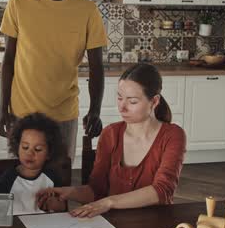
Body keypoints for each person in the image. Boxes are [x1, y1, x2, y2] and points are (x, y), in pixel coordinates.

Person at [0, 0, 108, 162]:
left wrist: (95, 110)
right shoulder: (18, 3)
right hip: (22, 113)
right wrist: (2, 109)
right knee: (23, 178)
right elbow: (8, 59)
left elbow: (97, 66)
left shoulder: (87, 11)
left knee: (59, 179)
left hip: (63, 114)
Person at [37, 64, 186, 218]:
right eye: (120, 98)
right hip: (114, 227)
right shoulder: (111, 134)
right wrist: (69, 192)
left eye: (132, 102)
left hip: (155, 227)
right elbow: (97, 190)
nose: (122, 107)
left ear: (154, 102)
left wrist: (109, 202)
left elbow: (162, 190)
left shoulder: (173, 135)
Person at [0, 113, 67, 223]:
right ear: (17, 146)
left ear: (49, 153)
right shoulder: (9, 177)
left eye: (38, 149)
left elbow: (63, 207)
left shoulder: (52, 176)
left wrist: (55, 204)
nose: (29, 153)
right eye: (25, 147)